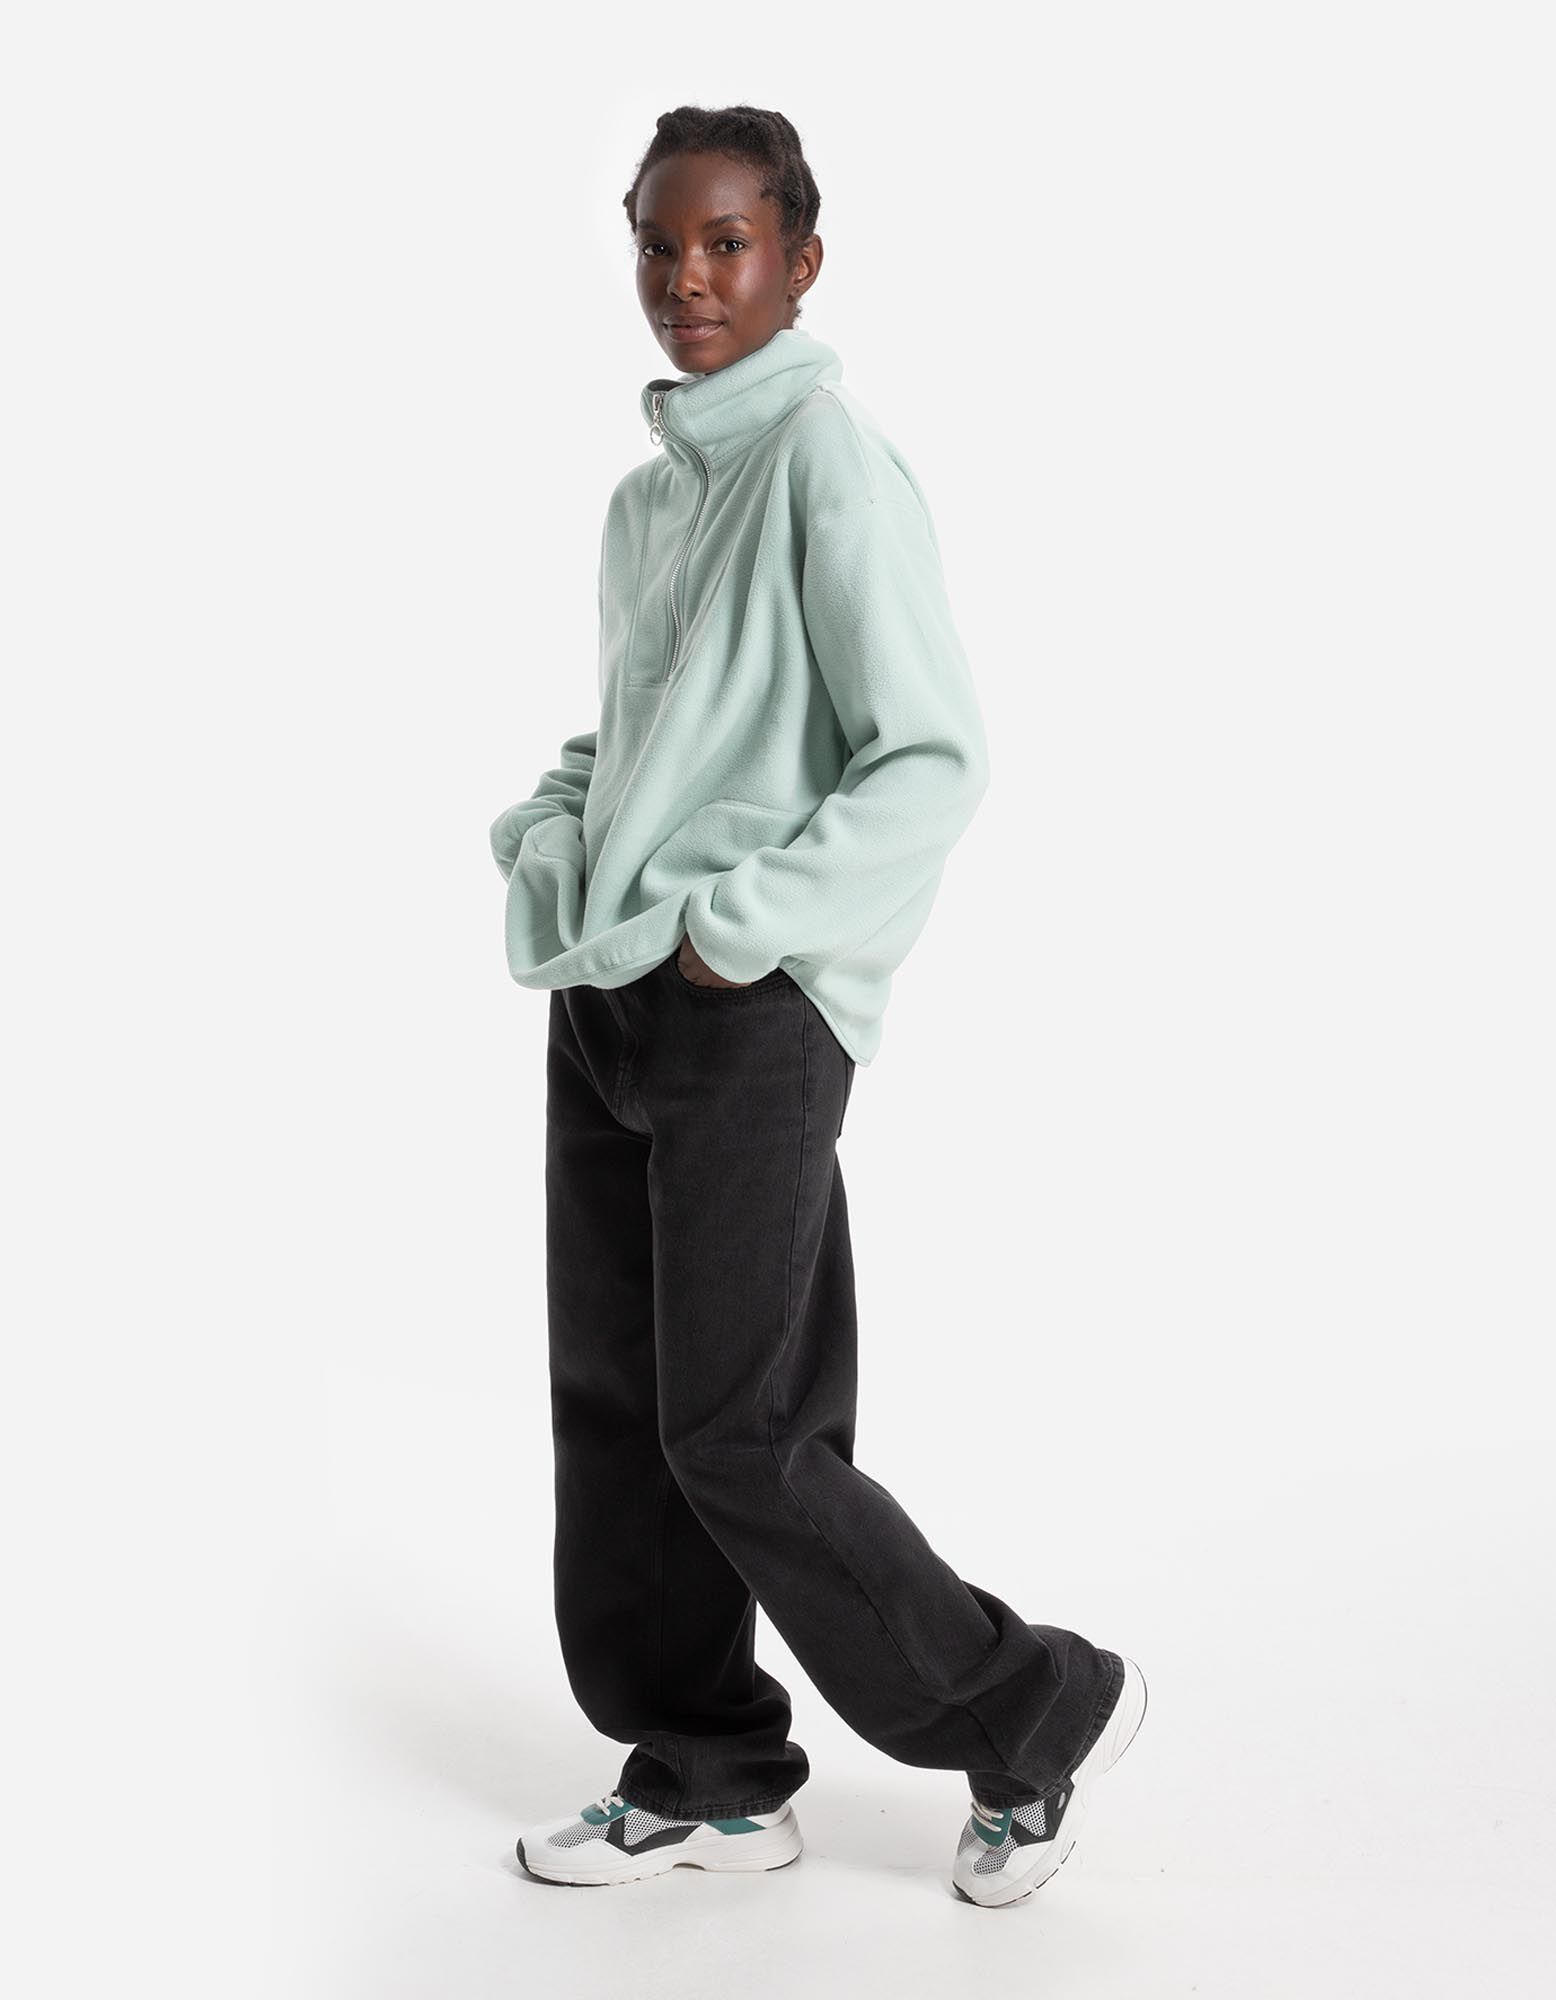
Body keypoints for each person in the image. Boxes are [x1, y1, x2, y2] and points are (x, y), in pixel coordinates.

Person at [490, 104, 1146, 1909]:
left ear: (801, 259)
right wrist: (548, 839)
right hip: (609, 1001)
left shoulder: (829, 465)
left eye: (727, 243)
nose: (687, 278)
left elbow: (929, 755)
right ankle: (704, 1772)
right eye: (659, 243)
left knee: (745, 1434)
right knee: (620, 1410)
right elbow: (634, 742)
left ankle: (1036, 1705)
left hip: (749, 1012)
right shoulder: (649, 498)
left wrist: (738, 933)